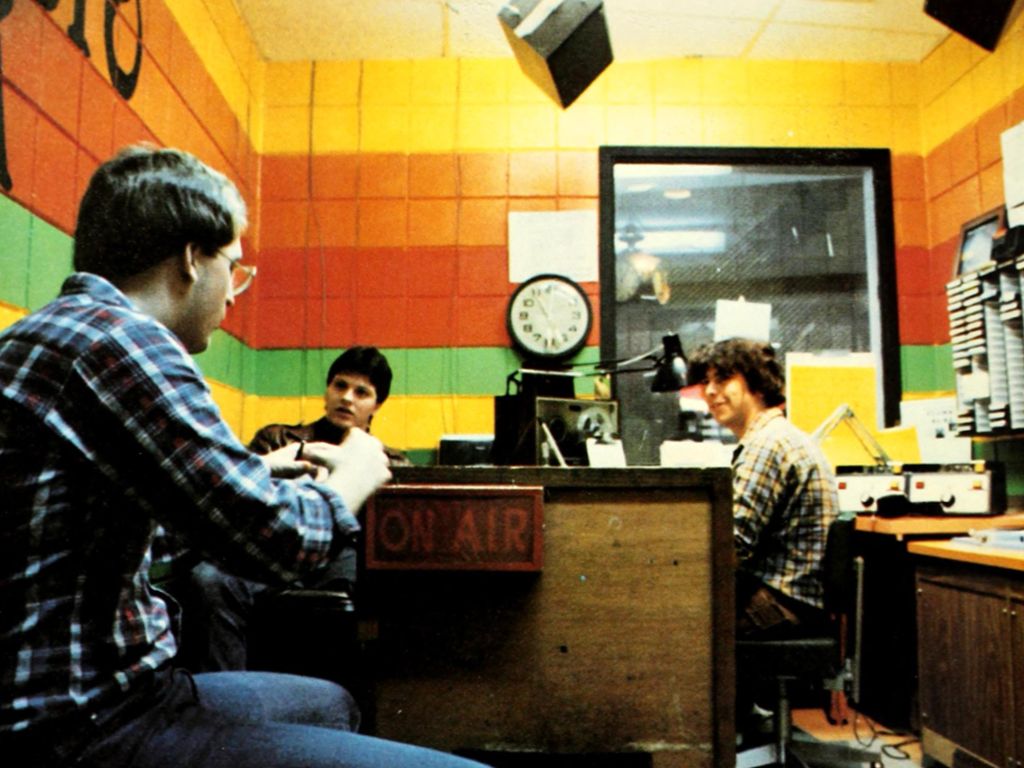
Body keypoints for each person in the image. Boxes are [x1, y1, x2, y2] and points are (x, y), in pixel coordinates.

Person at [0, 145, 487, 768]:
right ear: (190, 260)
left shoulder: (46, 333)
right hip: (90, 725)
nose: (235, 293)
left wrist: (253, 474)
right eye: (234, 266)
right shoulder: (128, 344)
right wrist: (355, 477)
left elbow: (124, 545)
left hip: (83, 697)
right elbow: (284, 543)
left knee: (331, 703)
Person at [175, 346, 410, 673]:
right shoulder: (279, 440)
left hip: (342, 558)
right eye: (339, 386)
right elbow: (240, 501)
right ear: (326, 391)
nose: (347, 398)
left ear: (377, 405)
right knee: (208, 578)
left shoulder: (389, 462)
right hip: (271, 547)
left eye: (361, 392)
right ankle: (225, 702)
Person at [688, 338, 838, 639]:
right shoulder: (779, 436)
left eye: (723, 378)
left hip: (784, 605)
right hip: (796, 599)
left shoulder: (767, 444)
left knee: (671, 626)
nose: (710, 391)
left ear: (756, 383)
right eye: (706, 382)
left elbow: (732, 546)